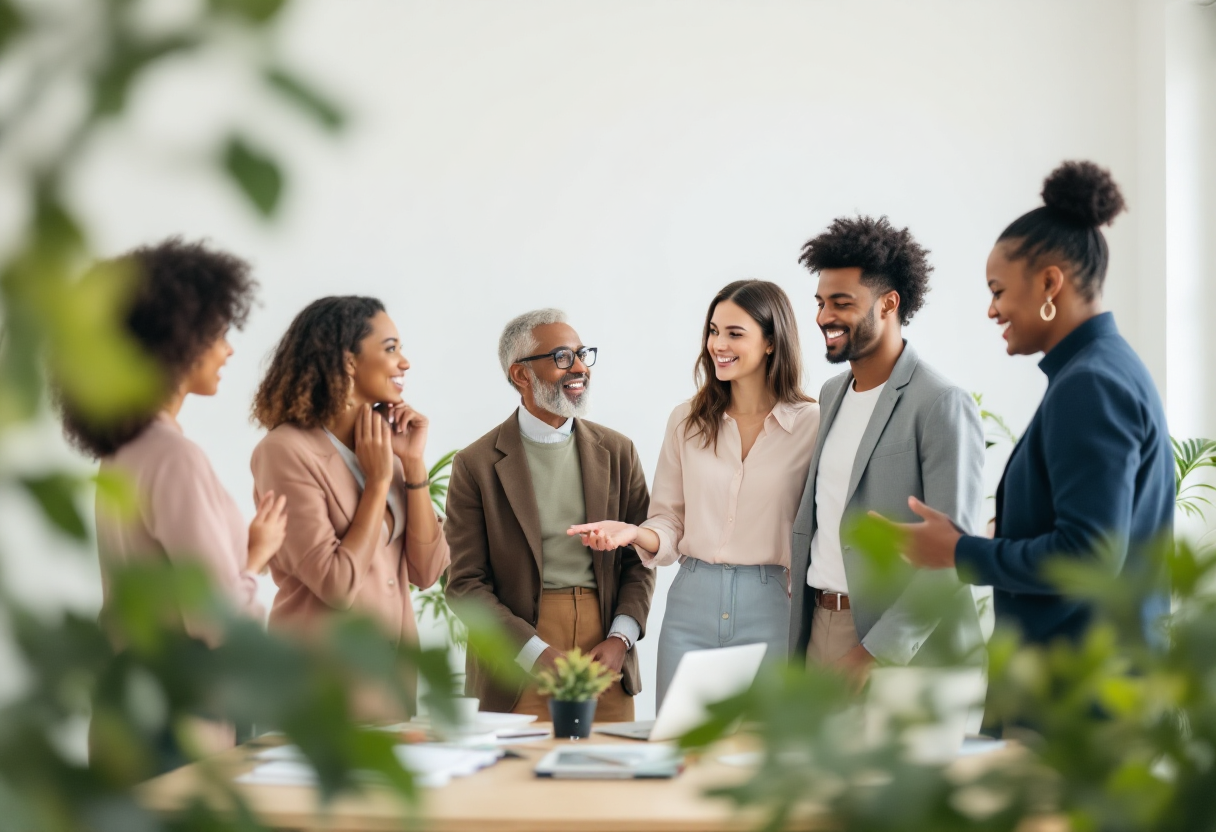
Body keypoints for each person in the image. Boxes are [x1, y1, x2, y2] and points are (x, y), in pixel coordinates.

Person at [887, 161, 1173, 647]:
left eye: (998, 291)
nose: (992, 309)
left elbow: (1089, 557)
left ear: (1049, 284)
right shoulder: (1100, 369)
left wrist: (960, 552)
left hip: (1079, 696)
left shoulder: (1091, 384)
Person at [60, 238, 287, 765]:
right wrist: (254, 556)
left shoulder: (121, 454)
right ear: (177, 339)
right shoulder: (174, 458)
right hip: (178, 722)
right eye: (219, 332)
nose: (229, 349)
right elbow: (212, 620)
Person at [571, 281, 818, 708]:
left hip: (773, 606)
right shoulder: (686, 420)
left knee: (764, 754)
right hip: (691, 603)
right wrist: (633, 533)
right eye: (713, 330)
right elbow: (670, 521)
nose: (717, 344)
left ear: (772, 342)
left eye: (734, 333)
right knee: (677, 748)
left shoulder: (811, 424)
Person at [788, 216, 986, 688]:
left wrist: (872, 655)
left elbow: (951, 558)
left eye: (842, 303)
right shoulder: (833, 393)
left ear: (888, 304)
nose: (823, 317)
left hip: (901, 649)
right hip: (820, 627)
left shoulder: (940, 403)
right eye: (819, 303)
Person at [445, 309, 654, 720]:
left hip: (605, 652)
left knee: (610, 775)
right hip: (517, 657)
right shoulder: (476, 463)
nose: (579, 368)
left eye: (581, 355)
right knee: (518, 778)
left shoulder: (619, 452)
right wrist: (533, 653)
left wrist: (621, 639)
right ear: (521, 375)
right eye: (562, 357)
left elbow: (640, 559)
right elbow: (465, 584)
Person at [250, 296, 449, 711]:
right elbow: (336, 584)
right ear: (348, 361)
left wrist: (412, 464)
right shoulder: (284, 451)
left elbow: (427, 571)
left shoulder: (385, 446)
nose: (405, 362)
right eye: (391, 348)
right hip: (321, 687)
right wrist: (376, 485)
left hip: (391, 685)